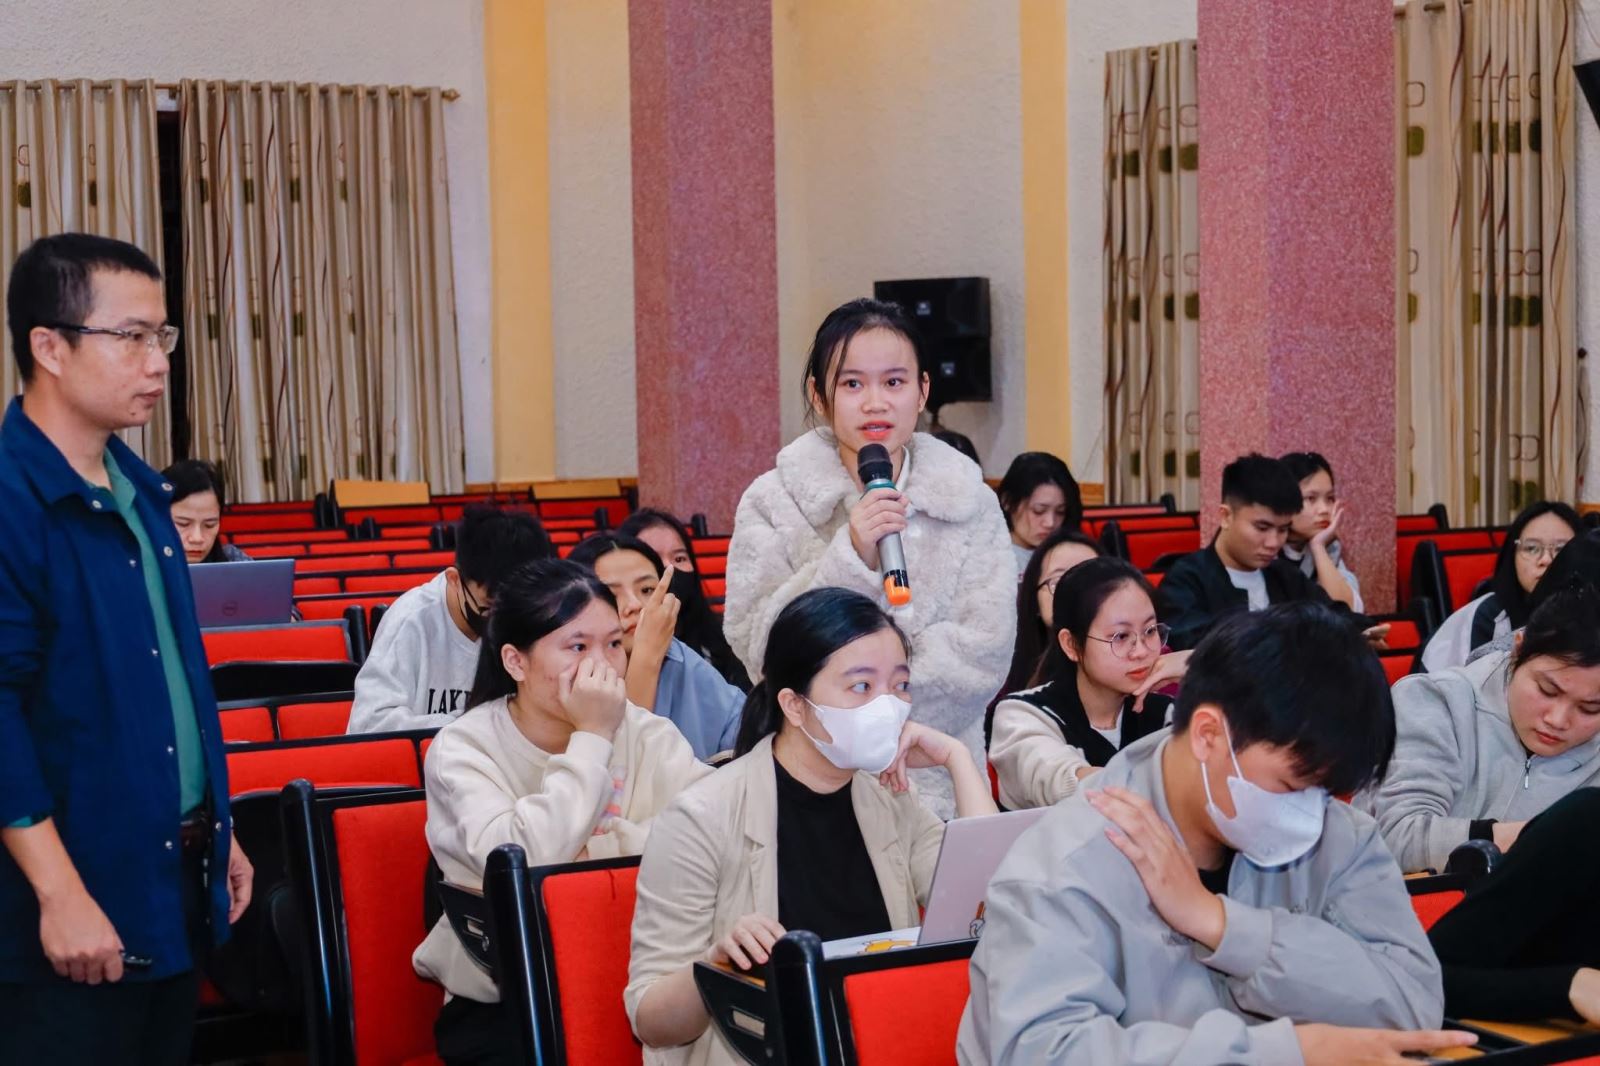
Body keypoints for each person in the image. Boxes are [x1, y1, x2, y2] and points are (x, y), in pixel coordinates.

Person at [957, 603, 1472, 1066]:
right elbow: (1039, 1052)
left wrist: (1223, 925)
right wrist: (1288, 1054)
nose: (1310, 815)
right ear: (1208, 734)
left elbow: (1414, 1004)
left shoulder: (1339, 837)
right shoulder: (1066, 863)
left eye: (1326, 792)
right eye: (1292, 785)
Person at [0, 233, 253, 1065]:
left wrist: (216, 827)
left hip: (170, 880)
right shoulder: (13, 500)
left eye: (161, 336)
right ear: (50, 347)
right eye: (132, 336)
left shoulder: (144, 494)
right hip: (66, 908)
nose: (158, 362)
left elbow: (171, 682)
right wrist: (59, 893)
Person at [626, 587, 997, 1066]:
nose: (888, 706)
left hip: (884, 1042)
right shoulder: (701, 816)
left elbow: (986, 906)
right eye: (861, 687)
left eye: (900, 685)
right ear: (795, 706)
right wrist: (716, 967)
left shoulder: (889, 799)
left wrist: (957, 760)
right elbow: (651, 1021)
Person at [724, 298, 1015, 817]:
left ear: (923, 390)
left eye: (894, 382)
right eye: (853, 384)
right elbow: (759, 647)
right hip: (811, 781)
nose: (875, 403)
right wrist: (852, 558)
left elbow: (983, 653)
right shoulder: (773, 501)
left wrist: (869, 704)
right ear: (819, 394)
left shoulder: (968, 499)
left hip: (932, 779)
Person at [414, 558, 711, 1064]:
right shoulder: (463, 749)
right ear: (516, 662)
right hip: (511, 997)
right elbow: (517, 867)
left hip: (641, 975)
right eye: (578, 647)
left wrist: (589, 856)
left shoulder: (646, 732)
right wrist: (592, 737)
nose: (604, 666)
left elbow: (705, 838)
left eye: (613, 644)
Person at [1368, 583, 1600, 1023]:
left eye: (1590, 709)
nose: (1558, 720)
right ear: (1518, 649)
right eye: (1547, 690)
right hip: (1415, 940)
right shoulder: (1436, 700)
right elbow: (1395, 837)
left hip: (1540, 957)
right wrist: (1541, 839)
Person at [988, 558, 1180, 810]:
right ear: (1071, 644)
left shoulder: (1166, 712)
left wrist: (1197, 668)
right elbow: (1059, 781)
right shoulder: (1022, 714)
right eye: (1121, 636)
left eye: (1150, 631)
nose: (1142, 651)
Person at [346, 505, 553, 733]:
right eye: (489, 607)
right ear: (454, 580)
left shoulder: (532, 617)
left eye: (513, 608)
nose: (503, 620)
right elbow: (369, 725)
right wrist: (472, 728)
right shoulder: (411, 620)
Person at [1159, 453, 1372, 651]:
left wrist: (1359, 633)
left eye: (1283, 530)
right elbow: (1199, 642)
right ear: (1226, 517)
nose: (1273, 543)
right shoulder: (1186, 580)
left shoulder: (1284, 576)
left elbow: (1336, 615)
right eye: (1262, 528)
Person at [568, 533, 745, 761]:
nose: (634, 605)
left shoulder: (679, 657)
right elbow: (620, 768)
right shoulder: (569, 670)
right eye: (611, 594)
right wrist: (646, 658)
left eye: (647, 590)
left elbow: (745, 732)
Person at [1419, 501, 1581, 673]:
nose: (1546, 560)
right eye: (1531, 548)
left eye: (1561, 549)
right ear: (1512, 556)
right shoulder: (1483, 619)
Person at [617, 507, 751, 690]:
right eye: (654, 558)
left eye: (679, 559)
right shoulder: (617, 648)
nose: (669, 568)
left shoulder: (727, 638)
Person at [999, 528, 1102, 700]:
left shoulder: (1142, 658)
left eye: (1091, 578)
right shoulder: (1002, 674)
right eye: (1059, 580)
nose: (1076, 590)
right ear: (1035, 601)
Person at [1279, 451, 1362, 611]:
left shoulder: (1329, 547)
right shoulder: (1266, 548)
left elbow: (1349, 611)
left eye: (1329, 498)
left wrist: (1318, 547)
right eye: (1311, 498)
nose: (1324, 509)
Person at [996, 451, 1084, 574]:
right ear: (1007, 502)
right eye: (1039, 511)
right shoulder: (990, 556)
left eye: (1060, 512)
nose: (1050, 523)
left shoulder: (1073, 553)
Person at [162, 459, 249, 563]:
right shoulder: (143, 568)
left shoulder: (236, 563)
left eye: (209, 525)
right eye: (183, 524)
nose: (197, 538)